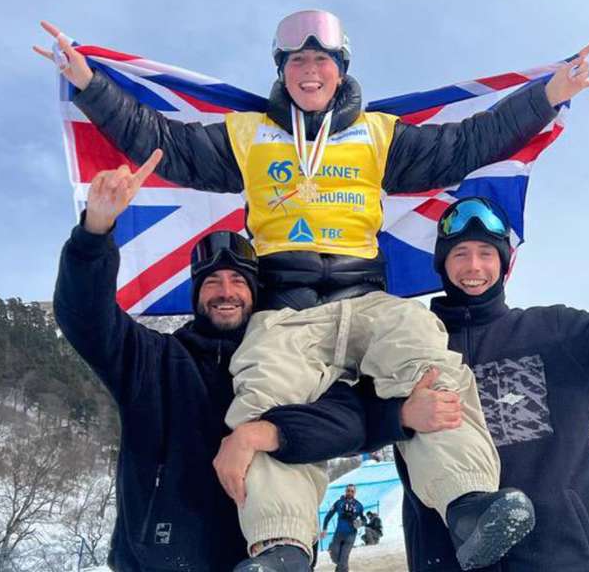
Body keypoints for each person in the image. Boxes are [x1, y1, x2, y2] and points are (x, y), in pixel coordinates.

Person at [36, 10, 589, 571]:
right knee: (264, 399)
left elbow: (467, 143)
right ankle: (281, 544)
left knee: (426, 354)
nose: (310, 71)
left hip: (365, 297)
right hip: (286, 309)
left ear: (341, 67)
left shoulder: (378, 136)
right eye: (297, 61)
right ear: (281, 69)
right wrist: (89, 85)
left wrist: (547, 95)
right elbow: (162, 139)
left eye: (322, 60)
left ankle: (467, 505)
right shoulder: (249, 134)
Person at [52, 152, 421, 571]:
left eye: (237, 282)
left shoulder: (291, 359)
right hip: (160, 560)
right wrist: (95, 231)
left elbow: (351, 423)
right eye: (212, 282)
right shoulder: (153, 360)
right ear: (196, 296)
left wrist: (269, 432)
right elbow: (82, 316)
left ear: (254, 294)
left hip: (265, 558)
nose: (225, 291)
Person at [396, 183, 589, 572]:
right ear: (442, 264)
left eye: (486, 253)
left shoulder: (554, 332)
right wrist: (400, 416)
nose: (473, 267)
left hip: (562, 557)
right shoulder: (410, 347)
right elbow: (353, 420)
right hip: (447, 561)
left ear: (505, 264)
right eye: (460, 254)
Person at [321, 485, 365, 572]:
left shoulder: (359, 505)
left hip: (351, 535)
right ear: (345, 491)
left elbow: (364, 519)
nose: (350, 493)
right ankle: (333, 550)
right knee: (335, 557)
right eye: (348, 491)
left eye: (352, 491)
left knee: (344, 558)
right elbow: (328, 516)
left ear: (355, 493)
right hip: (338, 534)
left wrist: (361, 523)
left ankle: (342, 568)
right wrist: (325, 529)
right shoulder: (338, 503)